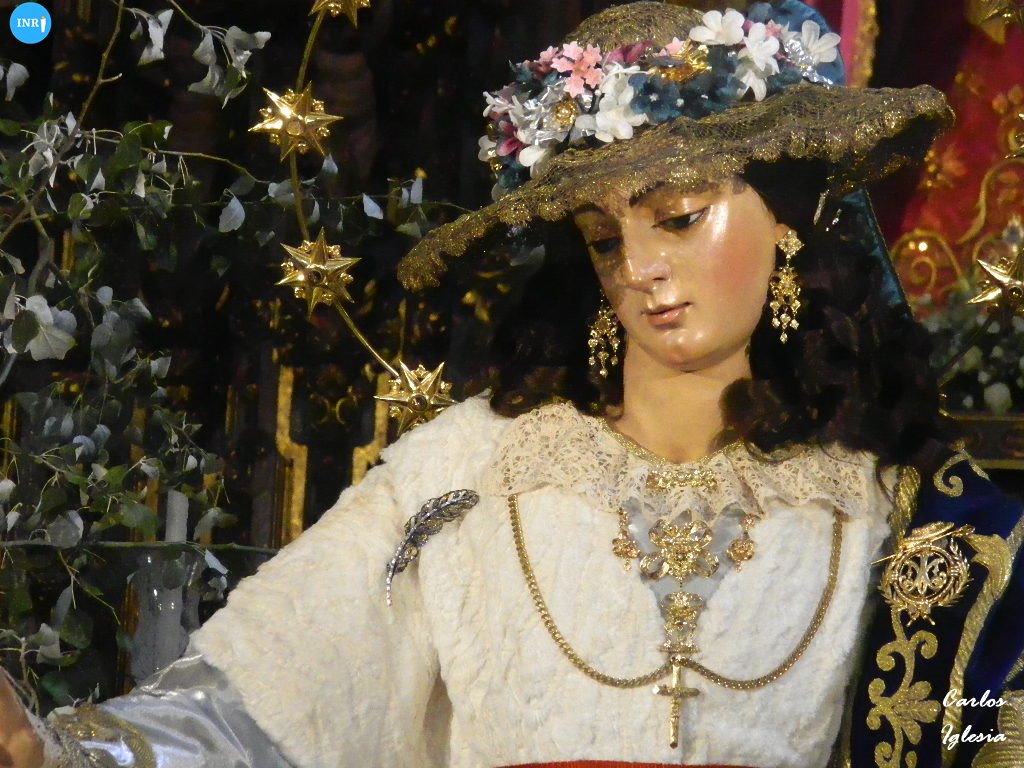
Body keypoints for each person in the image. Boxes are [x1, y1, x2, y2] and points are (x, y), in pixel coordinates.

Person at [3, 1, 1023, 766]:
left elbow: (988, 724)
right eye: (602, 238)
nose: (640, 268)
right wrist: (65, 755)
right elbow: (267, 698)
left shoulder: (892, 507)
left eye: (677, 217)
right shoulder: (467, 474)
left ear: (788, 216)